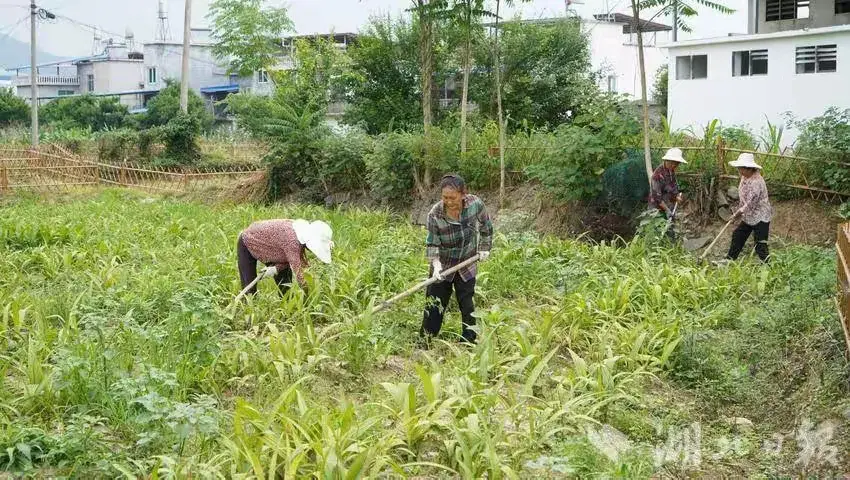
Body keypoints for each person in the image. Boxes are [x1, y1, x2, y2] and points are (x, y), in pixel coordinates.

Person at [422, 174, 493, 345]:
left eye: (452, 197)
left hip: (466, 262)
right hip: (443, 264)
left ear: (463, 194)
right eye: (445, 197)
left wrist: (484, 248)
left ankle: (469, 341)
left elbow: (486, 226)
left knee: (467, 304)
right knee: (435, 303)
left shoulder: (475, 204)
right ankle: (426, 340)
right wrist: (436, 266)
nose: (449, 201)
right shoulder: (435, 214)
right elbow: (432, 244)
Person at [236, 219, 333, 297]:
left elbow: (288, 259)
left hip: (272, 247)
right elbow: (298, 272)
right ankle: (248, 315)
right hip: (248, 241)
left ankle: (286, 306)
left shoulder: (300, 233)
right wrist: (309, 294)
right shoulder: (292, 241)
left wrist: (275, 269)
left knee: (285, 285)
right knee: (249, 289)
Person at [726, 153, 772, 263]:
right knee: (738, 235)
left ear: (749, 169)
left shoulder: (757, 182)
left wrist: (737, 213)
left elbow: (751, 203)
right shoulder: (745, 177)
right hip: (749, 215)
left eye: (741, 168)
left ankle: (769, 266)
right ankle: (730, 260)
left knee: (760, 243)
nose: (739, 171)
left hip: (761, 216)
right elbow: (743, 198)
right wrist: (738, 212)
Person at [649, 148, 687, 240]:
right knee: (658, 230)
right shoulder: (657, 175)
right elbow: (657, 198)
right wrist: (667, 210)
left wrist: (677, 196)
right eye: (673, 163)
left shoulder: (671, 171)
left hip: (669, 205)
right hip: (657, 208)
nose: (675, 165)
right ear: (667, 160)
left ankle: (671, 245)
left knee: (670, 228)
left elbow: (673, 187)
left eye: (677, 163)